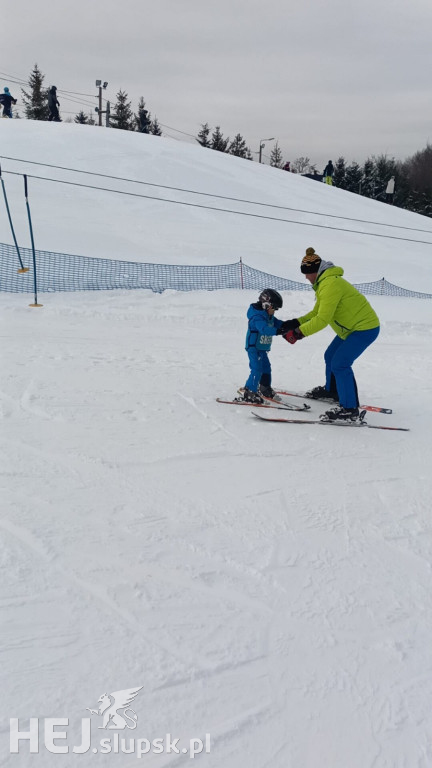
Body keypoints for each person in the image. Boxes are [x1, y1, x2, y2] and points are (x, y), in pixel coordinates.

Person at [282, 247, 380, 422]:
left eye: (307, 273)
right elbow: (316, 313)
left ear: (315, 271)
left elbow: (322, 319)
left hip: (364, 329)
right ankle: (333, 391)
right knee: (330, 356)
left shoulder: (330, 285)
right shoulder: (324, 283)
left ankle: (350, 409)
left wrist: (297, 334)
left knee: (340, 363)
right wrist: (295, 322)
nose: (306, 277)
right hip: (350, 329)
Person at [241, 289, 285, 403]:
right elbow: (264, 329)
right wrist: (279, 331)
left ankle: (264, 387)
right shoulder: (257, 317)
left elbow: (278, 323)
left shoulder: (268, 316)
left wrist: (290, 325)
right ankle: (249, 391)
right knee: (256, 369)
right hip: (254, 348)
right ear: (266, 305)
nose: (274, 311)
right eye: (274, 308)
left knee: (266, 368)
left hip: (262, 348)